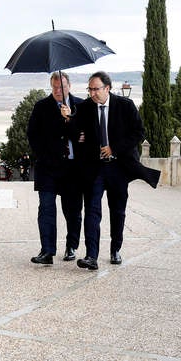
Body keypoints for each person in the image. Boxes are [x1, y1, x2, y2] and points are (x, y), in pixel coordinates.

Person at [62, 71, 160, 270]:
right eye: (89, 89)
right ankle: (91, 256)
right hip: (94, 169)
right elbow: (74, 134)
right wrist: (68, 119)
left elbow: (138, 133)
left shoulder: (125, 106)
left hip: (118, 168)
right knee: (92, 211)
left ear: (107, 88)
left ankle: (115, 249)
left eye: (95, 89)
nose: (92, 93)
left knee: (117, 211)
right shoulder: (84, 107)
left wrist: (114, 148)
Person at [26, 72, 84, 265]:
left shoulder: (81, 106)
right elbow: (33, 135)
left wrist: (69, 119)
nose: (59, 91)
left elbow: (84, 136)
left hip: (73, 168)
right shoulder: (41, 106)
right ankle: (47, 251)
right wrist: (43, 155)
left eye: (62, 87)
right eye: (55, 87)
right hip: (48, 168)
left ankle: (71, 246)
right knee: (46, 209)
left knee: (73, 211)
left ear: (69, 86)